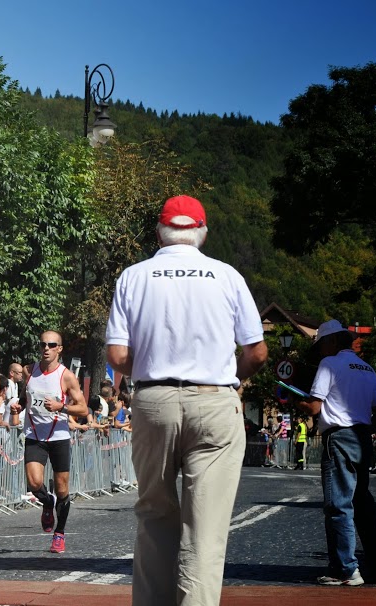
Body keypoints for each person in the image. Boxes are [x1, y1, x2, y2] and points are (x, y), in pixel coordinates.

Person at [105, 195, 268, 605]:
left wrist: (152, 366)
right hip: (214, 400)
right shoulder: (227, 275)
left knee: (154, 513)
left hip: (154, 399)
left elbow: (118, 356)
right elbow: (257, 351)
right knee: (206, 528)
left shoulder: (134, 276)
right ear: (202, 233)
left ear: (160, 233)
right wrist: (231, 378)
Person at [298, 319, 376, 586]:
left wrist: (295, 399)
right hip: (361, 438)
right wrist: (367, 429)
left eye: (321, 344)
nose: (320, 351)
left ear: (332, 341)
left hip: (338, 437)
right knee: (363, 503)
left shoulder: (330, 364)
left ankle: (346, 569)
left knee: (339, 504)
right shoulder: (367, 368)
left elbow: (314, 407)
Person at [9, 331, 88, 554]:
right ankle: (46, 502)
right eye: (42, 344)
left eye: (52, 345)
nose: (46, 348)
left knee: (62, 489)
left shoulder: (66, 376)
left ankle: (59, 533)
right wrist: (19, 405)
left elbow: (83, 408)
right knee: (34, 483)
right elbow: (26, 395)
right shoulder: (29, 370)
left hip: (59, 437)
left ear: (59, 349)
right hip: (35, 435)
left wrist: (61, 407)